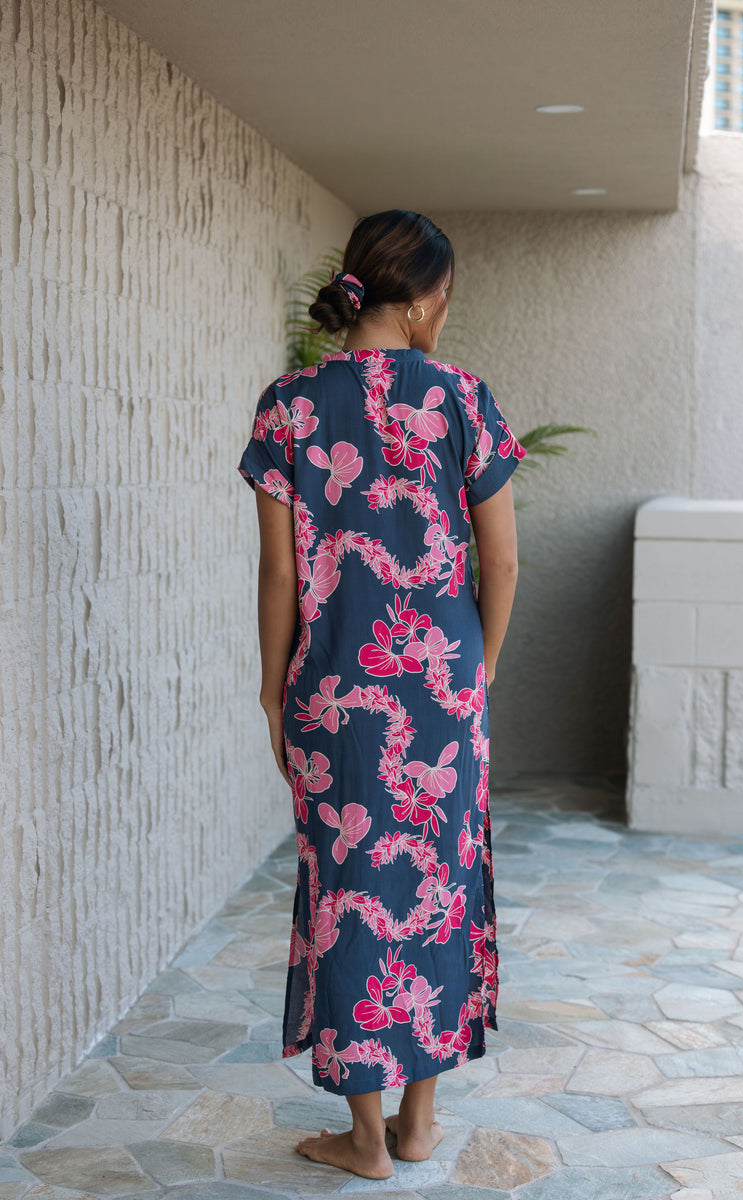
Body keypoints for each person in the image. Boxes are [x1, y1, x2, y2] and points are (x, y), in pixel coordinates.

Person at [236, 209, 524, 1180]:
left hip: (330, 690)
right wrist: (473, 671)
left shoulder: (289, 405)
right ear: (426, 300)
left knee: (349, 893)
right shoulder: (462, 399)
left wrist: (275, 694)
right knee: (436, 889)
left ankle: (361, 1138)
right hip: (441, 690)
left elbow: (279, 577)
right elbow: (504, 559)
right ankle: (415, 1123)